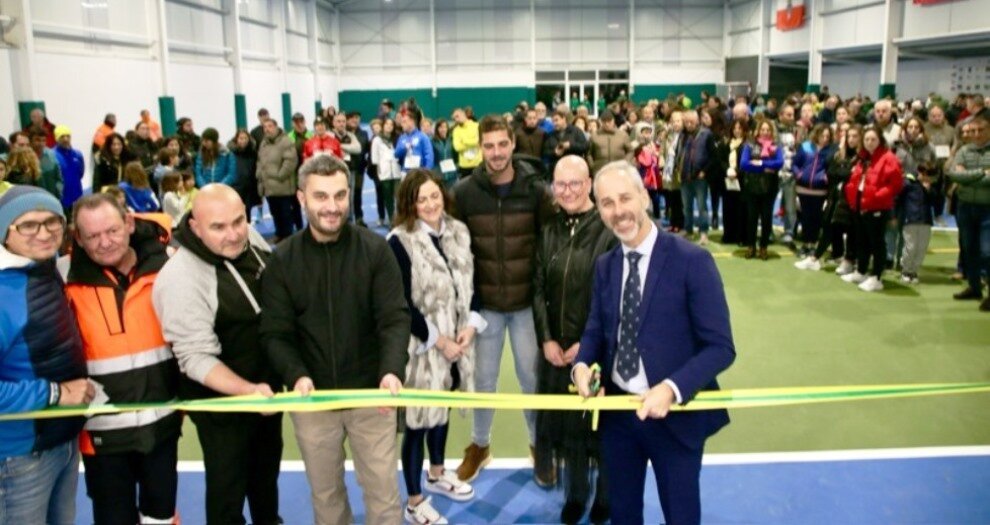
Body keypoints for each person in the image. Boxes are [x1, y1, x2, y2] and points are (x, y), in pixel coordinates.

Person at [572, 160, 735, 525]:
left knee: (681, 516)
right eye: (607, 203)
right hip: (618, 416)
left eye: (625, 198)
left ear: (645, 196)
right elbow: (596, 330)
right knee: (624, 514)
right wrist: (582, 365)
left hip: (675, 417)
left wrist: (673, 389)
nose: (618, 211)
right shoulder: (606, 265)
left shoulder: (693, 260)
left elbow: (720, 346)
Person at [260, 154, 410, 524]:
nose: (332, 207)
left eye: (340, 196)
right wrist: (296, 375)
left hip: (371, 396)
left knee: (384, 496)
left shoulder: (375, 251)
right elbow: (275, 332)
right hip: (313, 401)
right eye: (321, 197)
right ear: (301, 198)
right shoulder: (283, 260)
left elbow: (394, 318)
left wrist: (390, 370)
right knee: (326, 498)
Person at [153, 184, 283, 525]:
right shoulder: (180, 277)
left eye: (238, 221)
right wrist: (247, 391)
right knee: (228, 489)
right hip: (222, 407)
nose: (234, 234)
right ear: (195, 227)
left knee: (266, 475)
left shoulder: (248, 237)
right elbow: (195, 357)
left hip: (266, 392)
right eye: (219, 227)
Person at [65, 194, 181, 524]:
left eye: (112, 231)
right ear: (79, 238)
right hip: (101, 438)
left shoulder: (170, 267)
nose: (104, 242)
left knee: (161, 517)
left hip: (162, 428)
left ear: (129, 223)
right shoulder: (65, 281)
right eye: (92, 236)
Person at [451, 114, 554, 484]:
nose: (496, 153)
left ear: (513, 144)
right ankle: (480, 446)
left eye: (502, 144)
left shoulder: (537, 190)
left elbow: (548, 243)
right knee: (483, 380)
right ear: (481, 148)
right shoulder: (463, 193)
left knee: (532, 380)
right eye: (489, 146)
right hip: (485, 309)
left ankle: (538, 447)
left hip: (527, 305)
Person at [386, 169, 484, 525]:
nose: (430, 204)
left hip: (458, 347)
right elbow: (399, 303)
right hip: (422, 350)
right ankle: (414, 501)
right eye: (421, 199)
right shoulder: (399, 241)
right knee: (417, 423)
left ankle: (438, 473)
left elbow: (473, 286)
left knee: (441, 410)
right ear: (409, 204)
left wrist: (470, 327)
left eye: (434, 196)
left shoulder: (459, 231)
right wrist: (438, 339)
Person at [0, 186, 91, 524]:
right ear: (6, 233)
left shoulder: (41, 267)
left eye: (52, 221)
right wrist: (55, 394)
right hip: (18, 457)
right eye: (28, 225)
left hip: (60, 441)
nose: (44, 233)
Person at [533, 155, 616, 525]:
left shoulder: (608, 230)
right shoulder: (548, 228)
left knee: (599, 429)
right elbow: (536, 288)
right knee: (568, 431)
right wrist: (546, 339)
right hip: (555, 353)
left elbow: (612, 297)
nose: (567, 192)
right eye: (560, 184)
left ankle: (605, 497)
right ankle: (576, 493)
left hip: (594, 351)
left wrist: (589, 344)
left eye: (575, 184)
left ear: (589, 184)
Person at [842, 126, 904, 292]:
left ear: (880, 140)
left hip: (876, 206)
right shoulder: (863, 158)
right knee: (862, 240)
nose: (869, 143)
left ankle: (877, 276)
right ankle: (861, 271)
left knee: (877, 242)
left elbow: (896, 185)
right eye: (867, 139)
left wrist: (877, 196)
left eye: (873, 139)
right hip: (860, 205)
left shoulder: (888, 158)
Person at [796, 123, 862, 273]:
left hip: (853, 200)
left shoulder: (860, 157)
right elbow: (832, 171)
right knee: (828, 226)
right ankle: (816, 258)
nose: (851, 139)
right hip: (837, 198)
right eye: (848, 136)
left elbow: (849, 175)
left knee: (852, 231)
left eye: (854, 136)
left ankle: (850, 261)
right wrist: (844, 171)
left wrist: (843, 172)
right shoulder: (839, 153)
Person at [947, 115, 990, 310]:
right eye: (973, 131)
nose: (976, 134)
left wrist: (967, 175)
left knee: (987, 252)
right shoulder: (963, 150)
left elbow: (963, 176)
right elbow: (954, 174)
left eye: (981, 130)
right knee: (969, 249)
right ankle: (974, 287)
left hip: (987, 209)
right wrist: (982, 173)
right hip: (965, 207)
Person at [740, 119, 785, 260]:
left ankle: (763, 247)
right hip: (752, 188)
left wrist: (759, 163)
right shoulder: (749, 145)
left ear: (772, 132)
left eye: (768, 130)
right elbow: (744, 164)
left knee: (767, 219)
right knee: (751, 219)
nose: (765, 132)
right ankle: (751, 246)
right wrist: (766, 167)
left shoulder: (776, 147)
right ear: (758, 131)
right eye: (763, 129)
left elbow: (779, 163)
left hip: (770, 189)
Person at [792, 124, 836, 257]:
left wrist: (825, 177)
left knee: (816, 219)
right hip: (803, 189)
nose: (825, 138)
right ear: (816, 134)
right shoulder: (805, 147)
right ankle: (805, 244)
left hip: (820, 190)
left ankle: (813, 245)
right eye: (823, 135)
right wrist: (799, 174)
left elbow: (832, 168)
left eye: (828, 136)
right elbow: (795, 163)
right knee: (805, 218)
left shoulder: (831, 151)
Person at [257, 118, 300, 242]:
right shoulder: (263, 143)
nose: (267, 129)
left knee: (285, 214)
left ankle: (288, 237)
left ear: (276, 127)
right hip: (268, 187)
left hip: (283, 186)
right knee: (274, 213)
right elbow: (260, 161)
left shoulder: (286, 141)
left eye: (270, 126)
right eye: (265, 127)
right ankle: (279, 234)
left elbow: (291, 161)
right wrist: (259, 173)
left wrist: (280, 175)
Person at [371, 117, 401, 226]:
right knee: (388, 199)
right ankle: (392, 221)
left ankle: (401, 218)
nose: (389, 126)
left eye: (391, 125)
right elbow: (375, 158)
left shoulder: (397, 138)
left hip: (397, 172)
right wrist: (379, 171)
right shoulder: (377, 140)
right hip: (384, 173)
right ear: (383, 125)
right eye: (387, 124)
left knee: (399, 197)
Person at [53, 125, 85, 212]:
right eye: (62, 137)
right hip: (62, 197)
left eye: (68, 136)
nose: (65, 139)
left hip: (77, 194)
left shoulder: (77, 154)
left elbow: (81, 173)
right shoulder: (53, 156)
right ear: (57, 138)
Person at [228, 129, 261, 213]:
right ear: (236, 139)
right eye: (241, 138)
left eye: (245, 138)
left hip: (251, 188)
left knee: (250, 213)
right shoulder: (231, 154)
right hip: (236, 187)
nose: (243, 141)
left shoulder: (254, 153)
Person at [396, 106, 436, 175]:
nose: (401, 124)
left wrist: (426, 172)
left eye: (404, 121)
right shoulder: (402, 137)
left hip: (420, 173)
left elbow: (429, 156)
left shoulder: (423, 136)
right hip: (405, 173)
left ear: (411, 122)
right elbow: (396, 154)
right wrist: (404, 147)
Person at [452, 108, 482, 179]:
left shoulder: (477, 126)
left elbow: (479, 141)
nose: (456, 119)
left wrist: (464, 141)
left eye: (457, 116)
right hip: (464, 166)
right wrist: (473, 143)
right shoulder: (456, 130)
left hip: (478, 164)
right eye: (454, 118)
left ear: (464, 114)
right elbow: (457, 147)